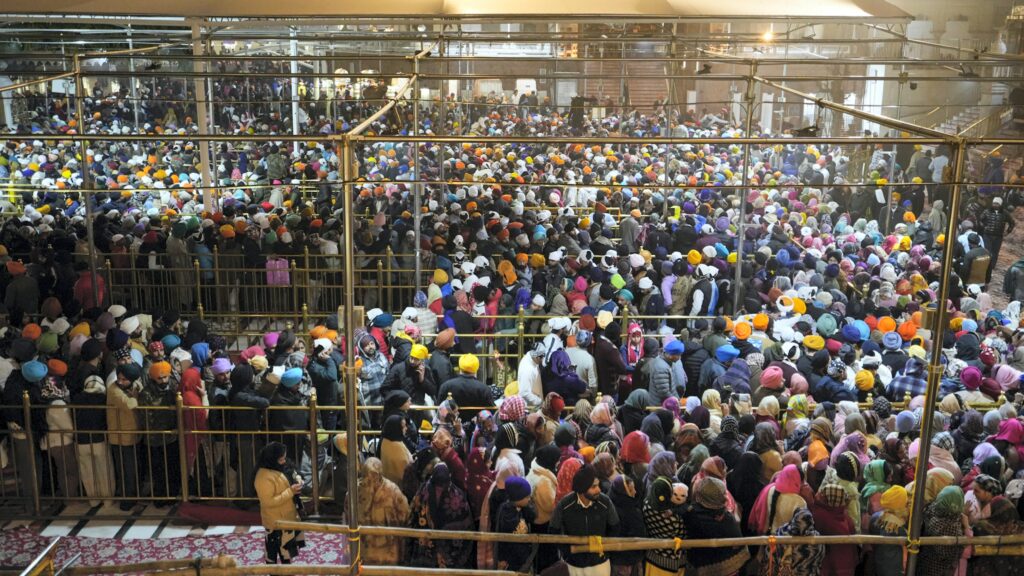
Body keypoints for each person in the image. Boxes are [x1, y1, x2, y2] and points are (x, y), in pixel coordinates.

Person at [549, 463, 620, 576]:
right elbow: (553, 531)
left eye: (598, 485)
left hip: (600, 564)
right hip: (573, 565)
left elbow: (615, 527)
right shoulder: (565, 505)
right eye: (593, 487)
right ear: (582, 489)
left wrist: (604, 550)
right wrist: (568, 552)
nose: (599, 489)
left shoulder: (605, 502)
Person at [352, 457, 409, 565]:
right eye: (366, 476)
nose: (370, 480)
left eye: (374, 476)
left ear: (380, 474)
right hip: (364, 546)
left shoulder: (392, 490)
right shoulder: (355, 490)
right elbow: (348, 513)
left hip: (388, 547)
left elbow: (404, 513)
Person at [255, 442, 305, 564]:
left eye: (284, 458)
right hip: (275, 522)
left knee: (286, 553)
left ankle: (286, 569)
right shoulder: (263, 477)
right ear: (272, 459)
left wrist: (298, 479)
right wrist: (290, 491)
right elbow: (268, 502)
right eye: (281, 459)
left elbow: (293, 472)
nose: (284, 461)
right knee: (274, 553)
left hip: (286, 518)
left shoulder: (277, 466)